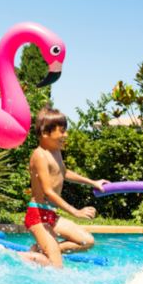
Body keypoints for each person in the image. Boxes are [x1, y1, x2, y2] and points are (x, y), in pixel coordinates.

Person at [23, 107, 109, 268]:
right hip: (37, 215)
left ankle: (40, 253)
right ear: (45, 133)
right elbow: (48, 191)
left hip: (50, 214)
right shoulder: (39, 155)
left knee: (87, 241)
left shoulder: (55, 151)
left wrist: (93, 182)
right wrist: (75, 211)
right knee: (57, 268)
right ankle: (16, 256)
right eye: (61, 131)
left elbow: (63, 172)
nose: (66, 135)